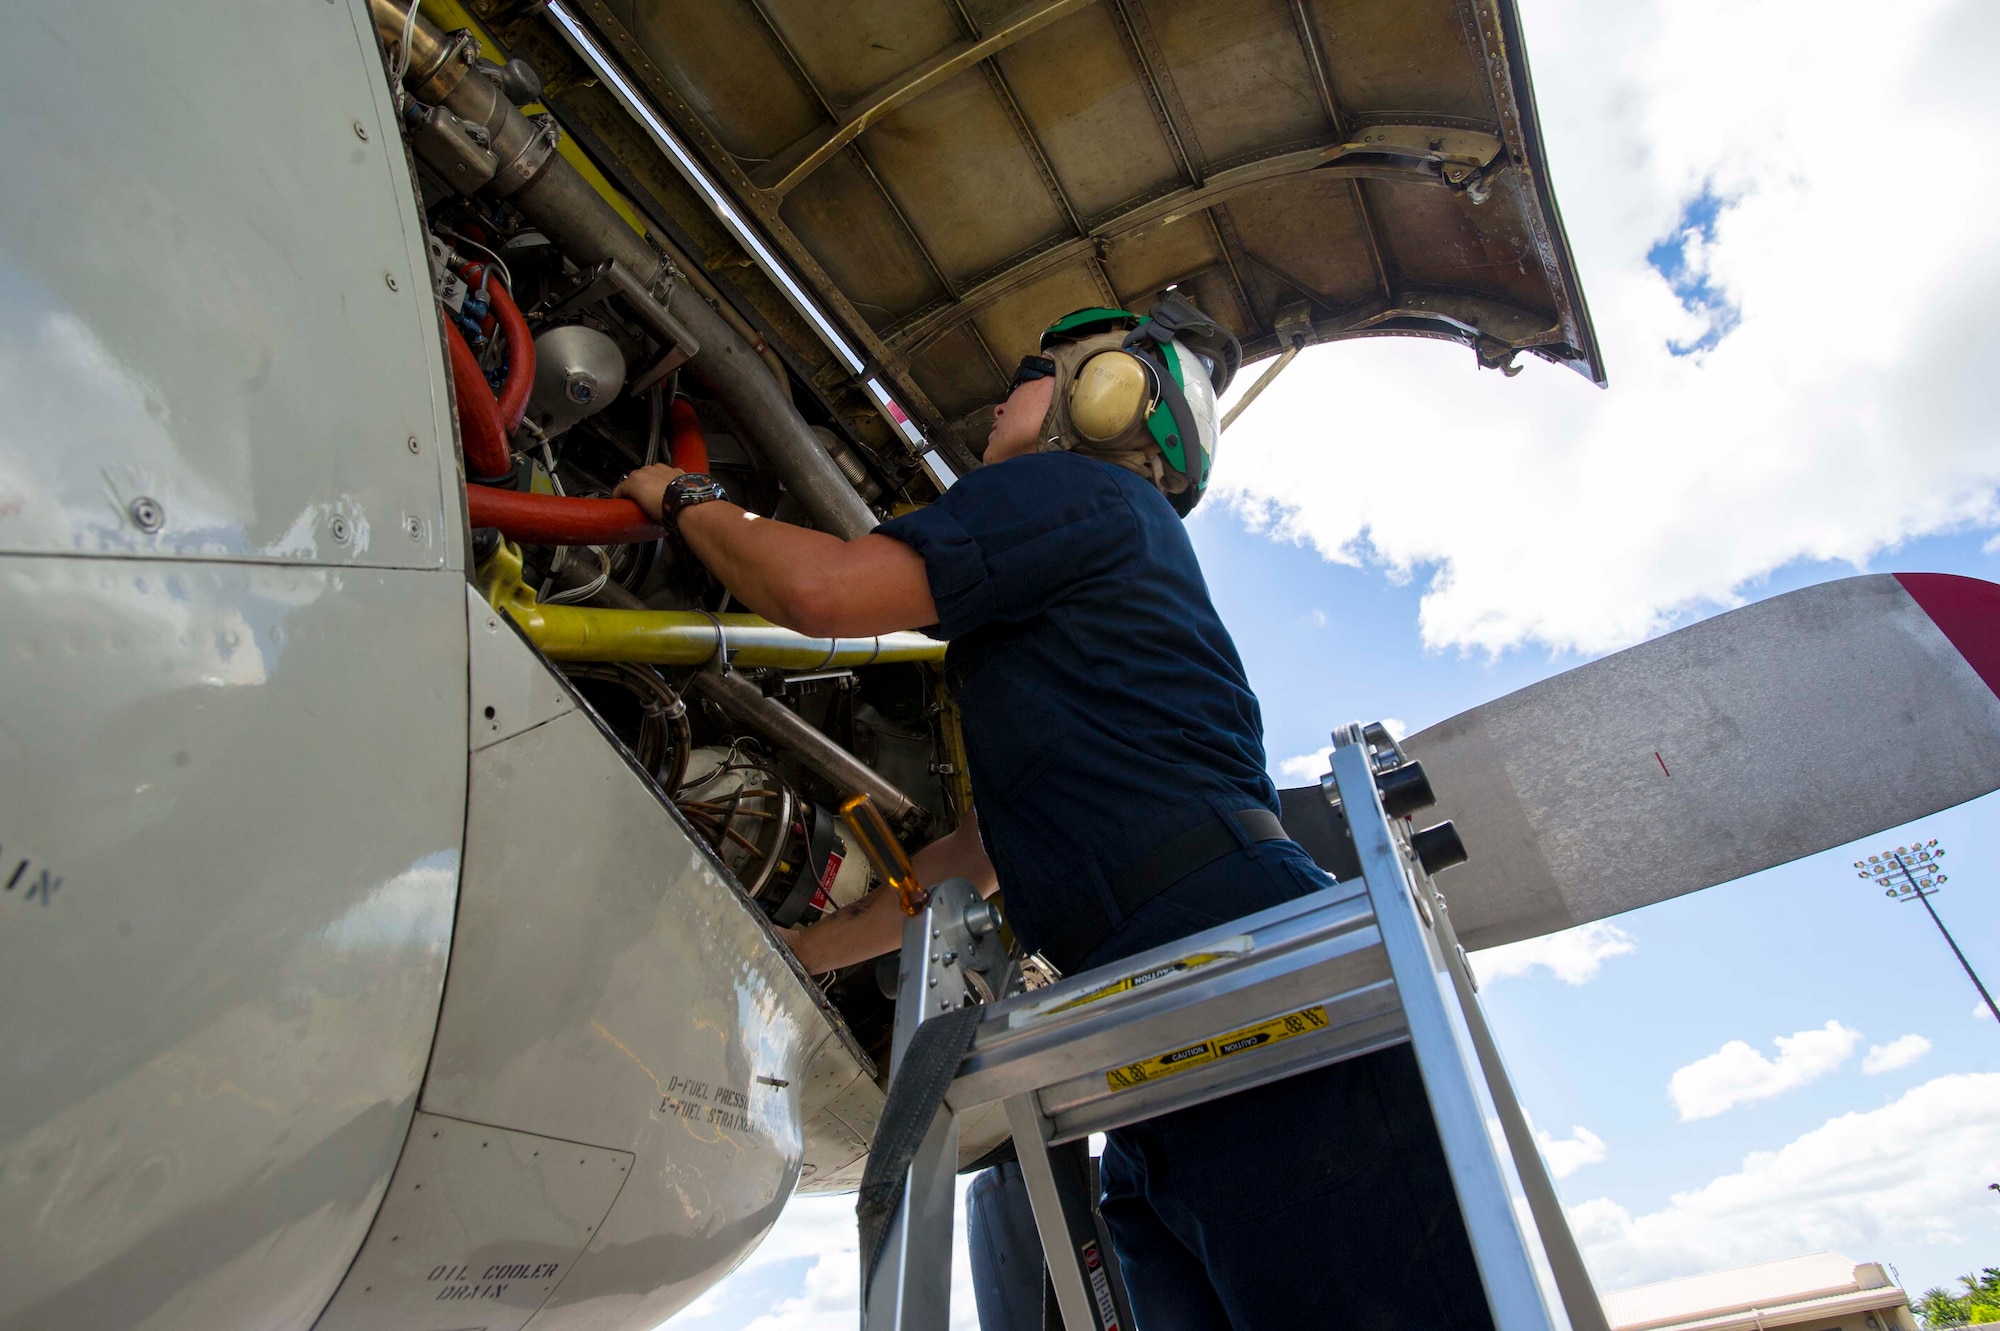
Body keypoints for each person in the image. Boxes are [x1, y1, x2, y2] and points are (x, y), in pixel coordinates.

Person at [615, 299, 1489, 1330]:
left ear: (1098, 393)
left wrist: (684, 496)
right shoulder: (1094, 570)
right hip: (1162, 1011)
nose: (994, 398)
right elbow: (973, 859)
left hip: (1235, 976)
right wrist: (806, 948)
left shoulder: (1076, 492)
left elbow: (820, 593)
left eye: (1027, 370)